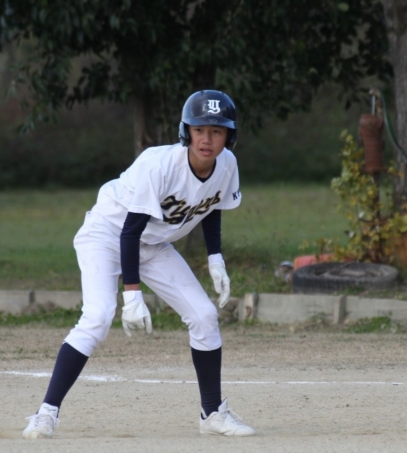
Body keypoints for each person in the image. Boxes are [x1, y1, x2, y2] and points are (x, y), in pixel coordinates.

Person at [22, 89, 256, 439]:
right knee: (98, 317)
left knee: (204, 315)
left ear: (229, 135)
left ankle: (212, 414)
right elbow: (129, 232)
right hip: (107, 233)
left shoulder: (227, 165)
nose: (207, 139)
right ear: (186, 131)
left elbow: (211, 206)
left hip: (153, 243)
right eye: (199, 130)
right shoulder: (158, 164)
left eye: (216, 131)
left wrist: (215, 259)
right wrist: (132, 295)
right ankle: (45, 413)